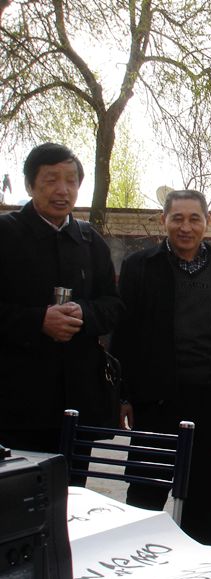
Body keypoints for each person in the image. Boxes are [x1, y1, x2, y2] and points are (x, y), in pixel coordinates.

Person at [110, 189, 211, 545]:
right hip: (155, 401)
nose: (185, 227)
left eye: (194, 219)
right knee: (145, 495)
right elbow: (124, 335)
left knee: (202, 498)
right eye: (177, 218)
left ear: (208, 222)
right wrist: (122, 394)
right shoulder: (140, 267)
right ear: (164, 221)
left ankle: (198, 567)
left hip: (208, 401)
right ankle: (133, 562)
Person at [0, 143, 122, 457]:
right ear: (30, 185)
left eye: (71, 181)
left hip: (78, 404)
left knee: (73, 485)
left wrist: (84, 314)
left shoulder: (89, 240)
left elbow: (113, 306)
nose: (63, 190)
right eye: (51, 180)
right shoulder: (6, 235)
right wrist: (39, 320)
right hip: (16, 406)